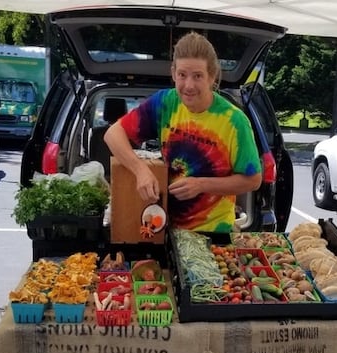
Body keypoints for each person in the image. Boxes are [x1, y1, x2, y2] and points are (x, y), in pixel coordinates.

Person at [103, 31, 262, 232]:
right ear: (173, 73)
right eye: (182, 75)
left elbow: (253, 180)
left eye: (197, 76)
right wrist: (140, 170)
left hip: (214, 233)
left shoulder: (235, 121)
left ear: (212, 76)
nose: (188, 85)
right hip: (165, 228)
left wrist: (201, 185)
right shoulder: (165, 103)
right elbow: (112, 134)